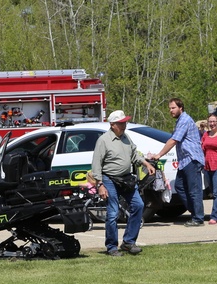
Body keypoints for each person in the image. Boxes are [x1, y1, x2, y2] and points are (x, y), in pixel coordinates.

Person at [88, 109, 155, 257]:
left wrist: (146, 164)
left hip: (125, 179)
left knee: (138, 205)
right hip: (109, 179)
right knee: (112, 213)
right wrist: (100, 185)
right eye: (121, 123)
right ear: (112, 125)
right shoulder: (103, 140)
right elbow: (96, 164)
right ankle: (112, 246)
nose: (124, 125)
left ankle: (128, 242)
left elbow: (134, 155)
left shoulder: (126, 137)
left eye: (124, 122)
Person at [149, 98, 205, 226]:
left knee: (193, 190)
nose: (170, 111)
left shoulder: (184, 120)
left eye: (173, 108)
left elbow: (173, 140)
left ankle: (198, 218)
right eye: (169, 108)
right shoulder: (180, 121)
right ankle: (195, 212)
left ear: (181, 108)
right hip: (184, 161)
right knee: (179, 186)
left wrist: (159, 154)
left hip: (192, 159)